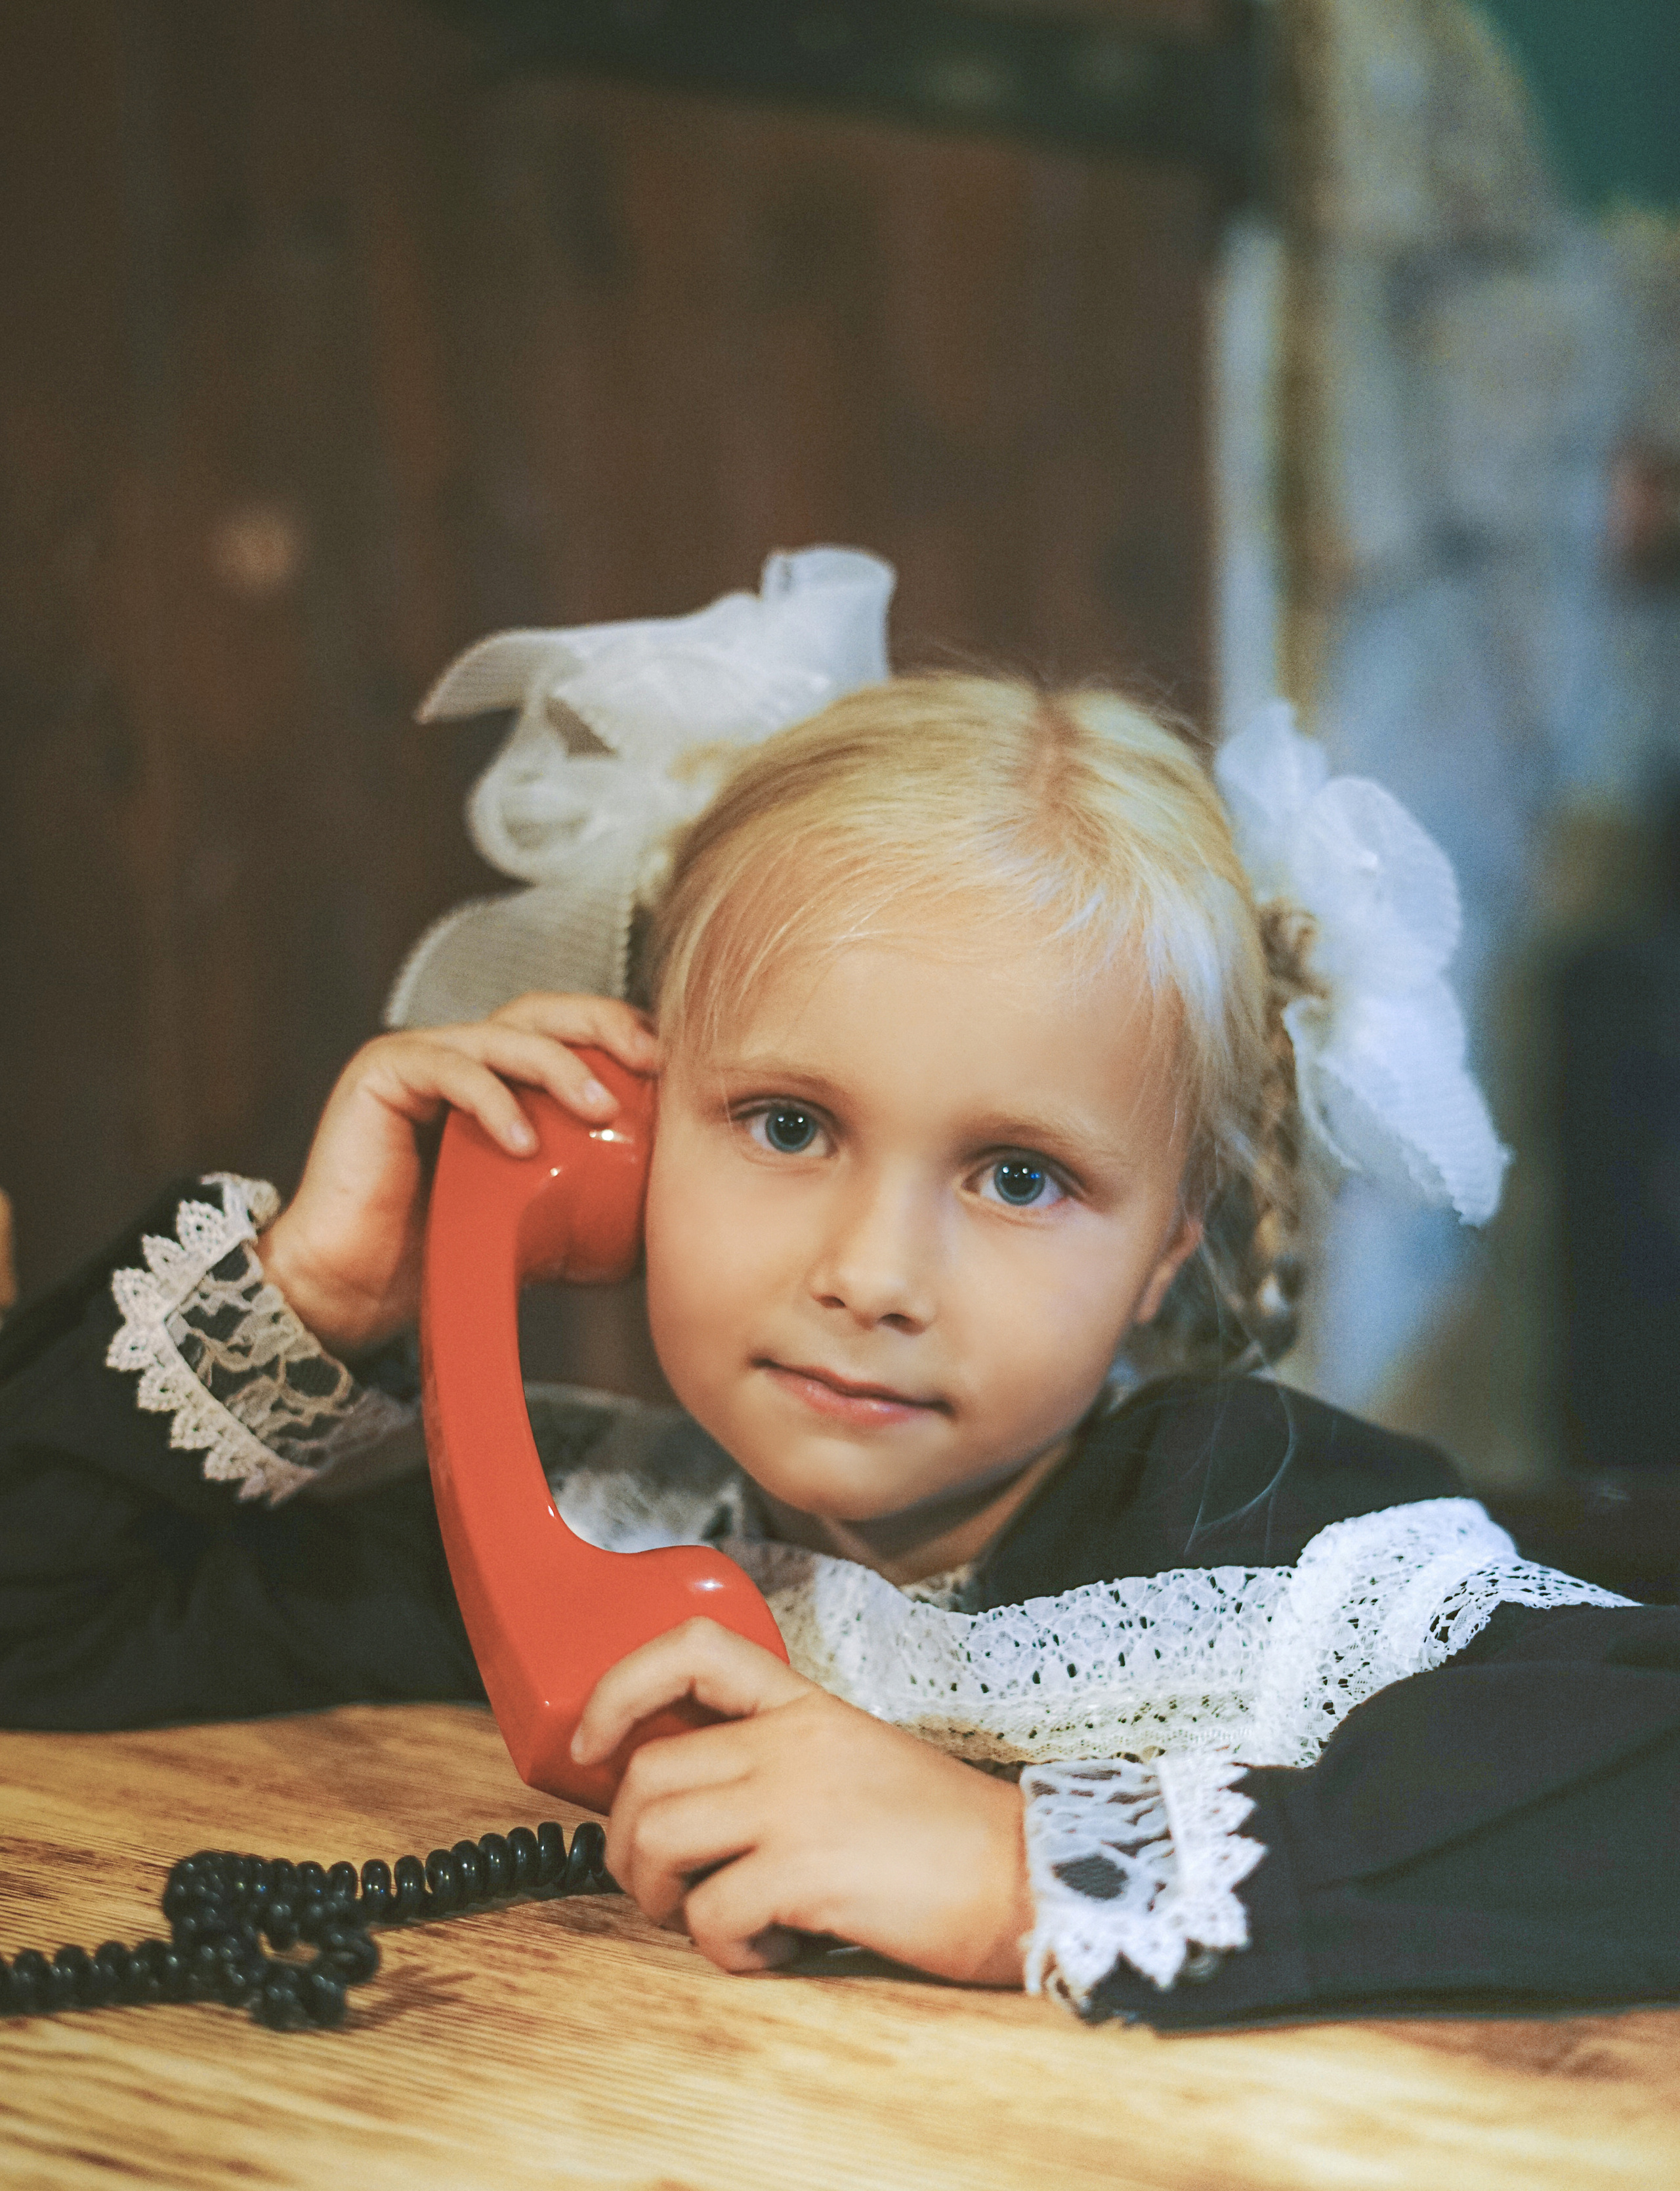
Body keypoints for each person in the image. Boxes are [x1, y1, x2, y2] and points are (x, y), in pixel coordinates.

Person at [2, 562, 1676, 2028]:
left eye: (1017, 1176)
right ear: (620, 1142)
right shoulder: (600, 1529)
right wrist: (313, 1296)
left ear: (1164, 1249)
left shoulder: (1266, 1542)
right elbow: (38, 1626)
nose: (873, 1277)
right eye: (787, 1127)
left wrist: (1021, 1868)